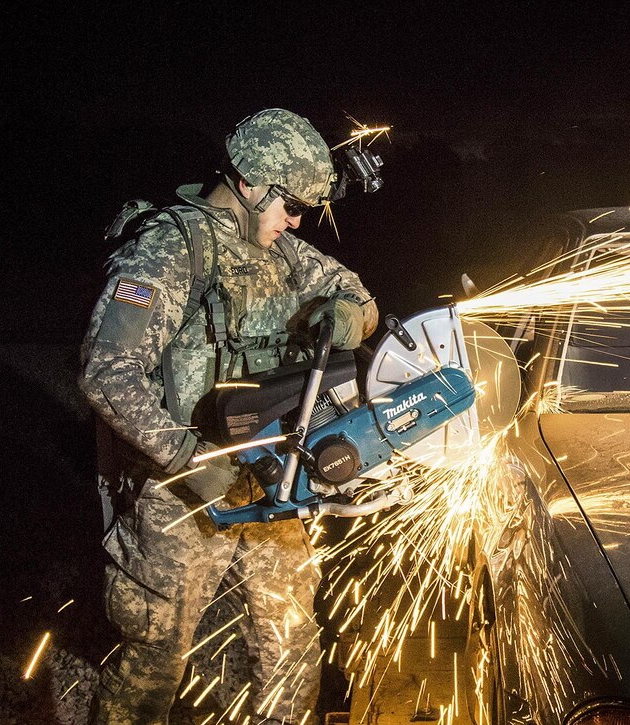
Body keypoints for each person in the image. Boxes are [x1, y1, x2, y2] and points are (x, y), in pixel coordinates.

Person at [79, 109, 378, 724]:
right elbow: (107, 373)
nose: (296, 221)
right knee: (155, 655)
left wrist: (350, 319)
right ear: (248, 182)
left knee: (290, 646)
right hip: (179, 488)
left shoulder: (288, 253)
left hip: (271, 478)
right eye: (290, 204)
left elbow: (363, 301)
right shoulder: (171, 246)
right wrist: (189, 458)